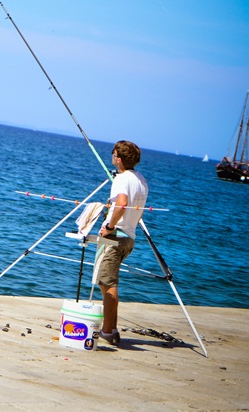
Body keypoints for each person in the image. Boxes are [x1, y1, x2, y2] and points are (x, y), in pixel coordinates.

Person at [96, 140, 149, 347]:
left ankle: (108, 331)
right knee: (108, 281)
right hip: (130, 237)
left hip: (117, 235)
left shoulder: (122, 179)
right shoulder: (141, 180)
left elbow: (122, 204)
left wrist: (109, 226)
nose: (112, 155)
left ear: (118, 158)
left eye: (113, 153)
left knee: (107, 283)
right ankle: (111, 329)